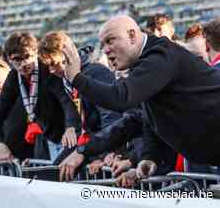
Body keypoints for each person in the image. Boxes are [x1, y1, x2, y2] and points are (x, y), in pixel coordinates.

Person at [61, 15, 220, 186]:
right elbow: (143, 120)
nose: (106, 50)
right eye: (103, 45)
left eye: (110, 41)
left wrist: (77, 78)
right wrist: (150, 157)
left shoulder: (161, 55)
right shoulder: (148, 66)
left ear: (132, 35)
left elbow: (120, 98)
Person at [0, 32, 80, 162]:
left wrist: (71, 126)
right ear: (9, 59)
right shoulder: (14, 78)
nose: (23, 64)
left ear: (35, 52)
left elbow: (65, 99)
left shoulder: (47, 68)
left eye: (27, 57)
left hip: (68, 133)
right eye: (17, 59)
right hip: (50, 136)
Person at [38, 31, 121, 164]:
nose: (52, 70)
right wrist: (71, 126)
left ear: (69, 55)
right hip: (88, 142)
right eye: (49, 65)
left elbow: (110, 117)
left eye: (56, 63)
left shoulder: (96, 72)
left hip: (104, 145)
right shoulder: (64, 78)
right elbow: (72, 107)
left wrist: (103, 155)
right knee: (54, 171)